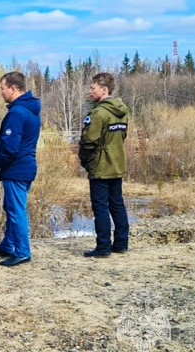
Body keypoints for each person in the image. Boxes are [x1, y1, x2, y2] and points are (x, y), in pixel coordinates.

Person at [0, 72, 41, 266]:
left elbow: (10, 146)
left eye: (2, 88)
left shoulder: (17, 113)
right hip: (24, 167)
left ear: (13, 88)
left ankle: (22, 251)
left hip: (16, 168)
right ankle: (8, 244)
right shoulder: (29, 110)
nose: (1, 92)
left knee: (16, 209)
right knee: (11, 207)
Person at [79, 72, 129, 257]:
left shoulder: (99, 113)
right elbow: (123, 136)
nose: (90, 91)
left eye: (93, 88)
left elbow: (88, 141)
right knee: (117, 204)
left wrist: (85, 160)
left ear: (104, 89)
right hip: (117, 164)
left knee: (100, 206)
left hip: (101, 167)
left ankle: (103, 247)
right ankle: (121, 243)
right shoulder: (122, 111)